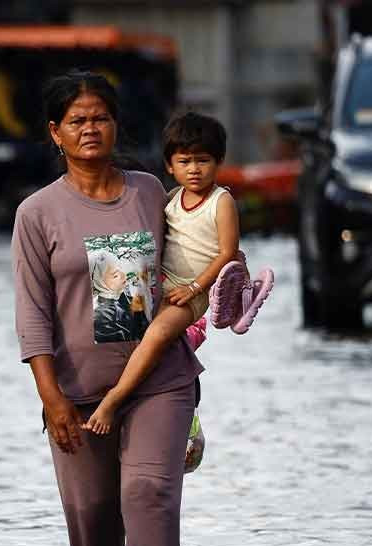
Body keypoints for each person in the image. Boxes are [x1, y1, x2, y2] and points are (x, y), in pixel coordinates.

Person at [12, 72, 203, 546]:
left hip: (159, 381)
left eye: (100, 118)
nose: (90, 129)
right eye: (77, 121)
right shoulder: (37, 213)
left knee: (148, 494)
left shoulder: (149, 192)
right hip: (77, 391)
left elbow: (190, 265)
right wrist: (52, 400)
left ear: (116, 125)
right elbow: (31, 315)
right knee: (93, 522)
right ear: (56, 133)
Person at [83, 112, 274, 434]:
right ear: (170, 166)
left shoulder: (221, 202)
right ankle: (113, 383)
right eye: (185, 161)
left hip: (194, 292)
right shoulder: (171, 199)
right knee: (118, 317)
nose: (194, 169)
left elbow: (227, 252)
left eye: (203, 160)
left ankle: (113, 400)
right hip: (164, 283)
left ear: (219, 162)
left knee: (157, 335)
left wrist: (195, 289)